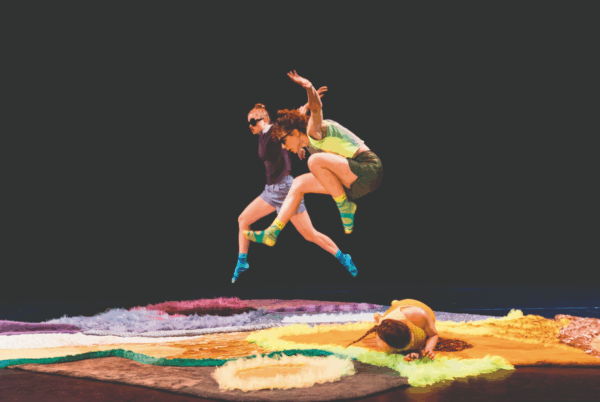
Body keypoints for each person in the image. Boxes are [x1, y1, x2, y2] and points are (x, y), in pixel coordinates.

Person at [244, 70, 383, 247]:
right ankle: (272, 232)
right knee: (298, 184)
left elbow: (316, 109)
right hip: (354, 183)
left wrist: (309, 87)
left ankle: (345, 206)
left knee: (314, 161)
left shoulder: (313, 131)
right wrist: (301, 138)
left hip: (368, 169)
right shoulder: (308, 141)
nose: (284, 147)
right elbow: (301, 120)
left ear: (294, 133)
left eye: (284, 141)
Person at [233, 95, 358, 283]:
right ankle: (242, 262)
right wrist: (296, 149)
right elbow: (284, 147)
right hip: (271, 190)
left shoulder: (274, 130)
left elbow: (293, 122)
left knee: (310, 234)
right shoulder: (264, 136)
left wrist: (308, 104)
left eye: (252, 121)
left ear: (263, 119)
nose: (250, 125)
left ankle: (343, 257)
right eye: (248, 122)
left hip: (285, 189)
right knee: (244, 219)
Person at [347, 299, 439, 362]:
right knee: (384, 320)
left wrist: (428, 348)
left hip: (413, 306)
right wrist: (416, 354)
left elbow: (433, 334)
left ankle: (391, 307)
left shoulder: (419, 315)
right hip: (391, 316)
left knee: (422, 336)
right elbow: (407, 353)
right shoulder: (384, 345)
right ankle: (382, 317)